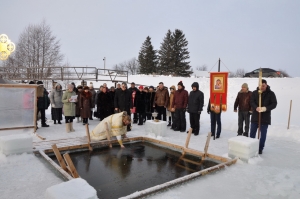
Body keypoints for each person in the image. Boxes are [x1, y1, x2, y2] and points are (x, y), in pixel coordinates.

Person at [250, 79, 277, 154]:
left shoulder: (271, 94)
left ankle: (260, 148)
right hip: (255, 116)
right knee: (252, 133)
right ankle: (251, 147)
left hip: (265, 117)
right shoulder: (255, 93)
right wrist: (256, 107)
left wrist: (265, 108)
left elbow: (274, 104)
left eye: (263, 86)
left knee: (263, 135)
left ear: (266, 85)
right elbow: (251, 101)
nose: (262, 87)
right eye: (260, 86)